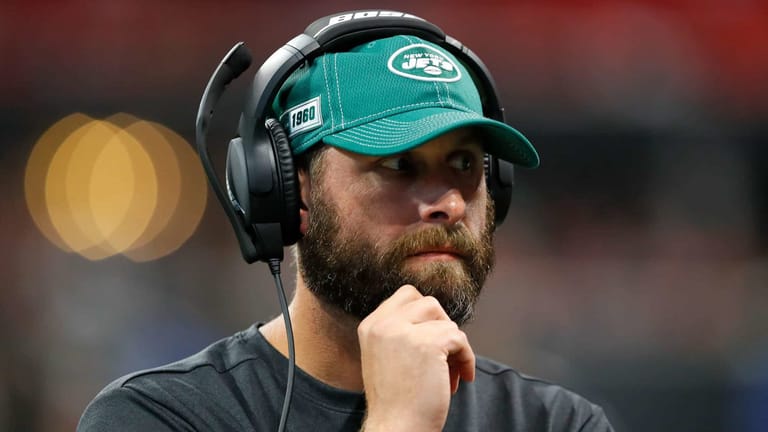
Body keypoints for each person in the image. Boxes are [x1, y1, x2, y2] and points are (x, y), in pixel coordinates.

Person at [78, 15, 614, 432]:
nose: (449, 202)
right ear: (291, 190)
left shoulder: (557, 423)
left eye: (466, 165)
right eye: (399, 165)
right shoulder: (159, 417)